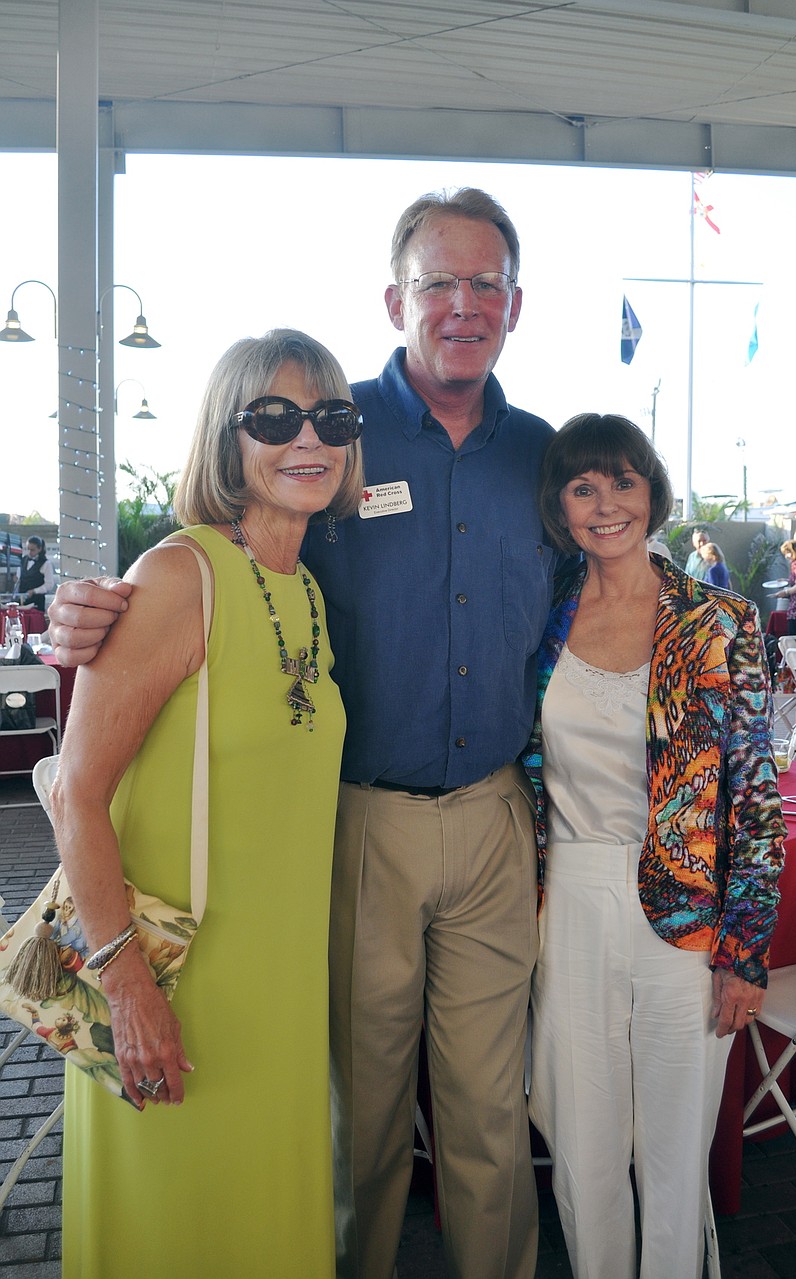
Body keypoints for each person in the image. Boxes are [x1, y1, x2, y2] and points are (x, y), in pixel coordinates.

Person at [48, 188, 555, 1279]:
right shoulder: (337, 438)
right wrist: (80, 613)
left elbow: (600, 597)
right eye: (438, 283)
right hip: (354, 835)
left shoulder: (544, 462)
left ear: (515, 304)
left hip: (491, 820)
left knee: (487, 1110)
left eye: (486, 285)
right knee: (360, 1116)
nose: (463, 305)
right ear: (395, 299)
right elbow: (182, 598)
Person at [50, 328, 364, 1278]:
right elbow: (73, 793)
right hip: (171, 980)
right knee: (177, 1225)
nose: (307, 436)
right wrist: (126, 986)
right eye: (274, 415)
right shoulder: (178, 574)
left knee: (265, 1216)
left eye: (331, 416)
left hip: (278, 987)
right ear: (228, 439)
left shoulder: (304, 587)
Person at [523, 413, 785, 1279]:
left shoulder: (719, 621)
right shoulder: (539, 613)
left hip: (689, 914)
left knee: (674, 1156)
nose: (605, 506)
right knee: (584, 1147)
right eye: (583, 487)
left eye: (622, 483)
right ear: (561, 505)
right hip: (567, 902)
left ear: (652, 492)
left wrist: (745, 951)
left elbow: (754, 793)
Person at [14, 534, 55, 604]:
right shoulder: (23, 560)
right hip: (22, 601)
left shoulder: (46, 563)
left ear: (40, 549)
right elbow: (19, 579)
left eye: (32, 550)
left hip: (37, 602)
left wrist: (35, 591)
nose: (29, 552)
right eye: (27, 549)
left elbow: (49, 585)